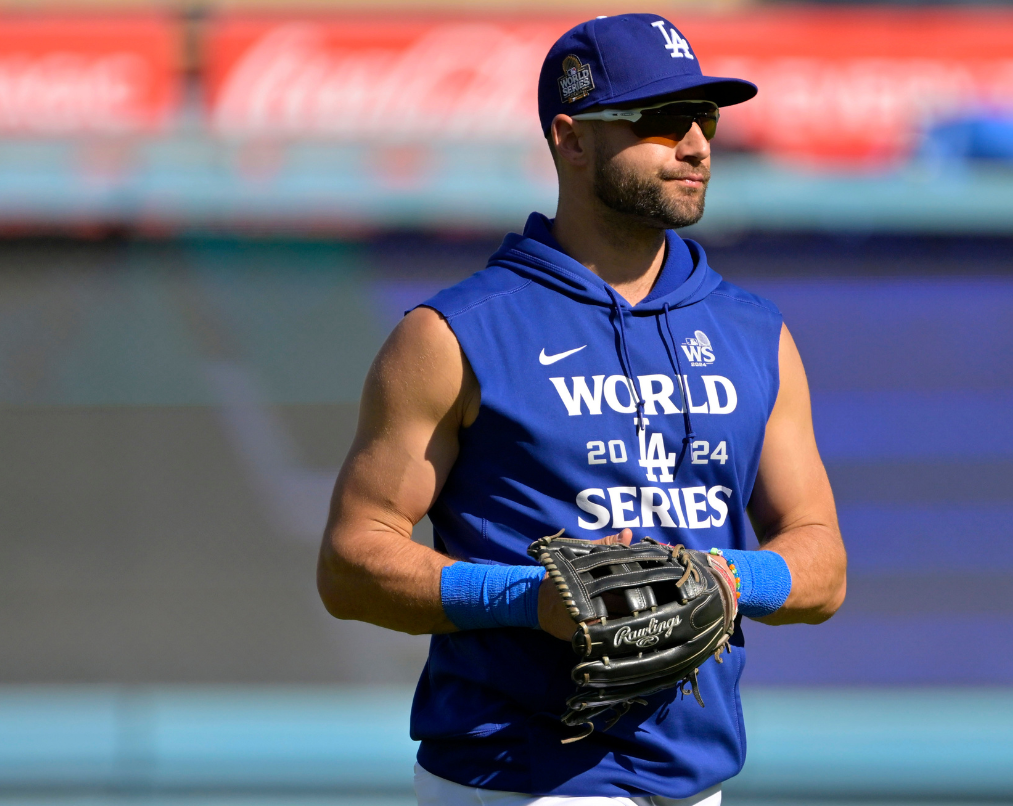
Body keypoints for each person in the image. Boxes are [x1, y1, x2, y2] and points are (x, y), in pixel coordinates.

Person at [317, 13, 846, 806]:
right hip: (518, 777)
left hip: (697, 780)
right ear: (571, 137)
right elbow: (351, 564)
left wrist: (720, 579)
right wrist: (527, 599)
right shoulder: (456, 334)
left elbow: (823, 567)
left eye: (704, 118)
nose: (697, 144)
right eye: (662, 120)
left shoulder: (755, 334)